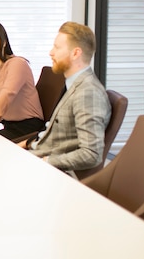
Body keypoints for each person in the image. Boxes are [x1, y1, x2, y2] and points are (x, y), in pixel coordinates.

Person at [21, 21, 111, 172]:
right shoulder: (73, 84)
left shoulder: (88, 92)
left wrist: (46, 161)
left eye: (57, 47)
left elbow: (91, 154)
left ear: (76, 53)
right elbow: (57, 135)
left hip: (48, 170)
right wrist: (26, 144)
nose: (51, 52)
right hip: (34, 155)